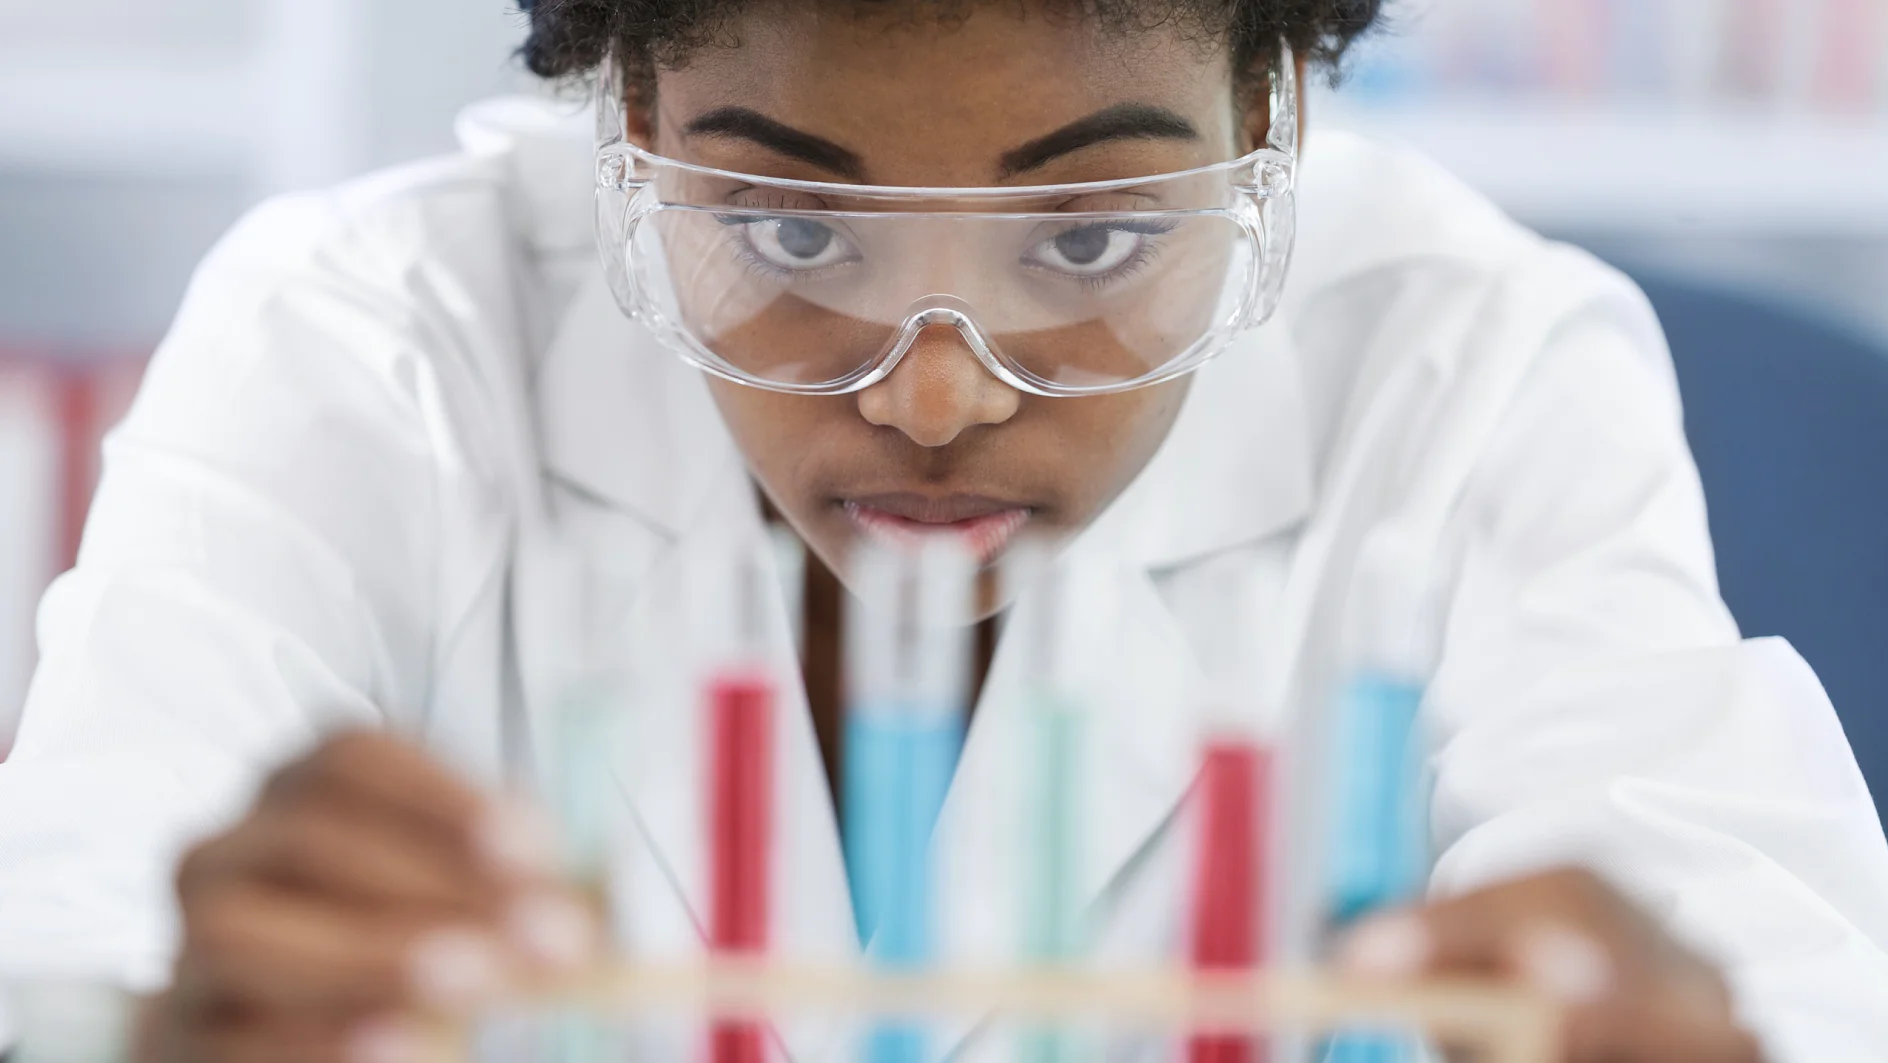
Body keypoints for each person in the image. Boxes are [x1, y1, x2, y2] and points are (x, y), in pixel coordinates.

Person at [0, 0, 1884, 1060]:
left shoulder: (1473, 367)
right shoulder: (366, 345)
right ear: (638, 115)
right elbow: (65, 951)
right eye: (795, 232)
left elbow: (1780, 974)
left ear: (1277, 123)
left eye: (1088, 239)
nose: (930, 394)